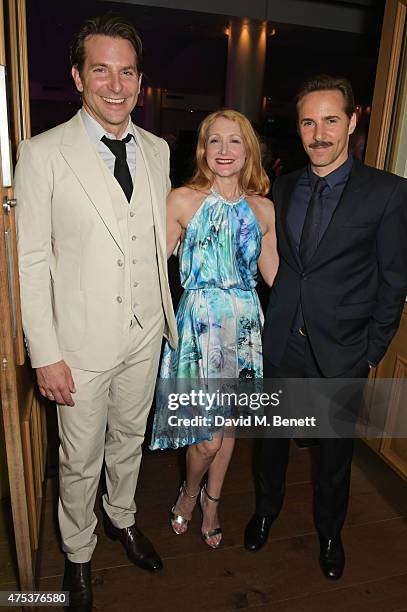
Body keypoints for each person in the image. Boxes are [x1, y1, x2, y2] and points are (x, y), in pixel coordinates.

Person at [14, 14, 177, 611]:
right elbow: (31, 262)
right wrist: (46, 354)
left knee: (129, 438)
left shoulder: (158, 150)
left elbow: (156, 238)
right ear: (79, 77)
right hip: (77, 345)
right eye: (101, 70)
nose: (116, 84)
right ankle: (78, 554)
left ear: (139, 80)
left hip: (146, 332)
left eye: (127, 72)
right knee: (78, 459)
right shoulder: (41, 154)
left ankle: (122, 518)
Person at [244, 75, 407, 580]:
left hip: (342, 350)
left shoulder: (388, 193)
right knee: (269, 444)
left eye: (331, 120)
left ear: (352, 121)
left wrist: (371, 351)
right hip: (282, 345)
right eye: (309, 122)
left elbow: (393, 279)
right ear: (299, 127)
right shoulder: (286, 184)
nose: (319, 133)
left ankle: (330, 532)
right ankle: (266, 509)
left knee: (334, 457)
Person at [150, 109, 279, 548]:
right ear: (203, 148)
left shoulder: (262, 208)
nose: (225, 150)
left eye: (235, 141)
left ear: (249, 150)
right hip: (200, 327)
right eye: (214, 141)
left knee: (228, 431)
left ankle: (213, 502)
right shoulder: (182, 200)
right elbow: (149, 268)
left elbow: (277, 276)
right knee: (205, 439)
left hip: (244, 327)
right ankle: (189, 492)